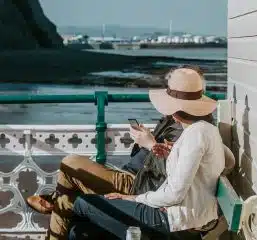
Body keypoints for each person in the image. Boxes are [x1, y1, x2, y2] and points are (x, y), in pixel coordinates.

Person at [69, 67, 226, 239]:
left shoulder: (195, 134)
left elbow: (174, 194)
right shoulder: (207, 130)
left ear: (174, 111)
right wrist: (176, 154)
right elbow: (228, 160)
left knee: (83, 203)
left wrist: (134, 199)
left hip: (175, 222)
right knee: (81, 232)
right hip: (181, 218)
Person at [26, 115, 183, 240]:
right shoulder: (170, 119)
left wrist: (151, 144)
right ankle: (56, 201)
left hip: (137, 183)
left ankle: (54, 200)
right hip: (129, 172)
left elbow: (172, 172)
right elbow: (145, 157)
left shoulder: (185, 129)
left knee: (70, 164)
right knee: (66, 198)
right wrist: (141, 143)